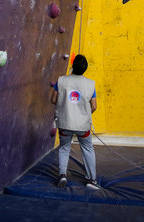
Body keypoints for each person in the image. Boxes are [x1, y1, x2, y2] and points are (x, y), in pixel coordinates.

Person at [50, 54, 102, 190]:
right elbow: (94, 106)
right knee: (87, 149)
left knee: (64, 148)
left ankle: (62, 175)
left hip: (64, 124)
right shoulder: (90, 84)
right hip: (82, 126)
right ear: (85, 68)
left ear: (72, 66)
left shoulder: (61, 81)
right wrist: (83, 115)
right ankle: (91, 180)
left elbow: (53, 100)